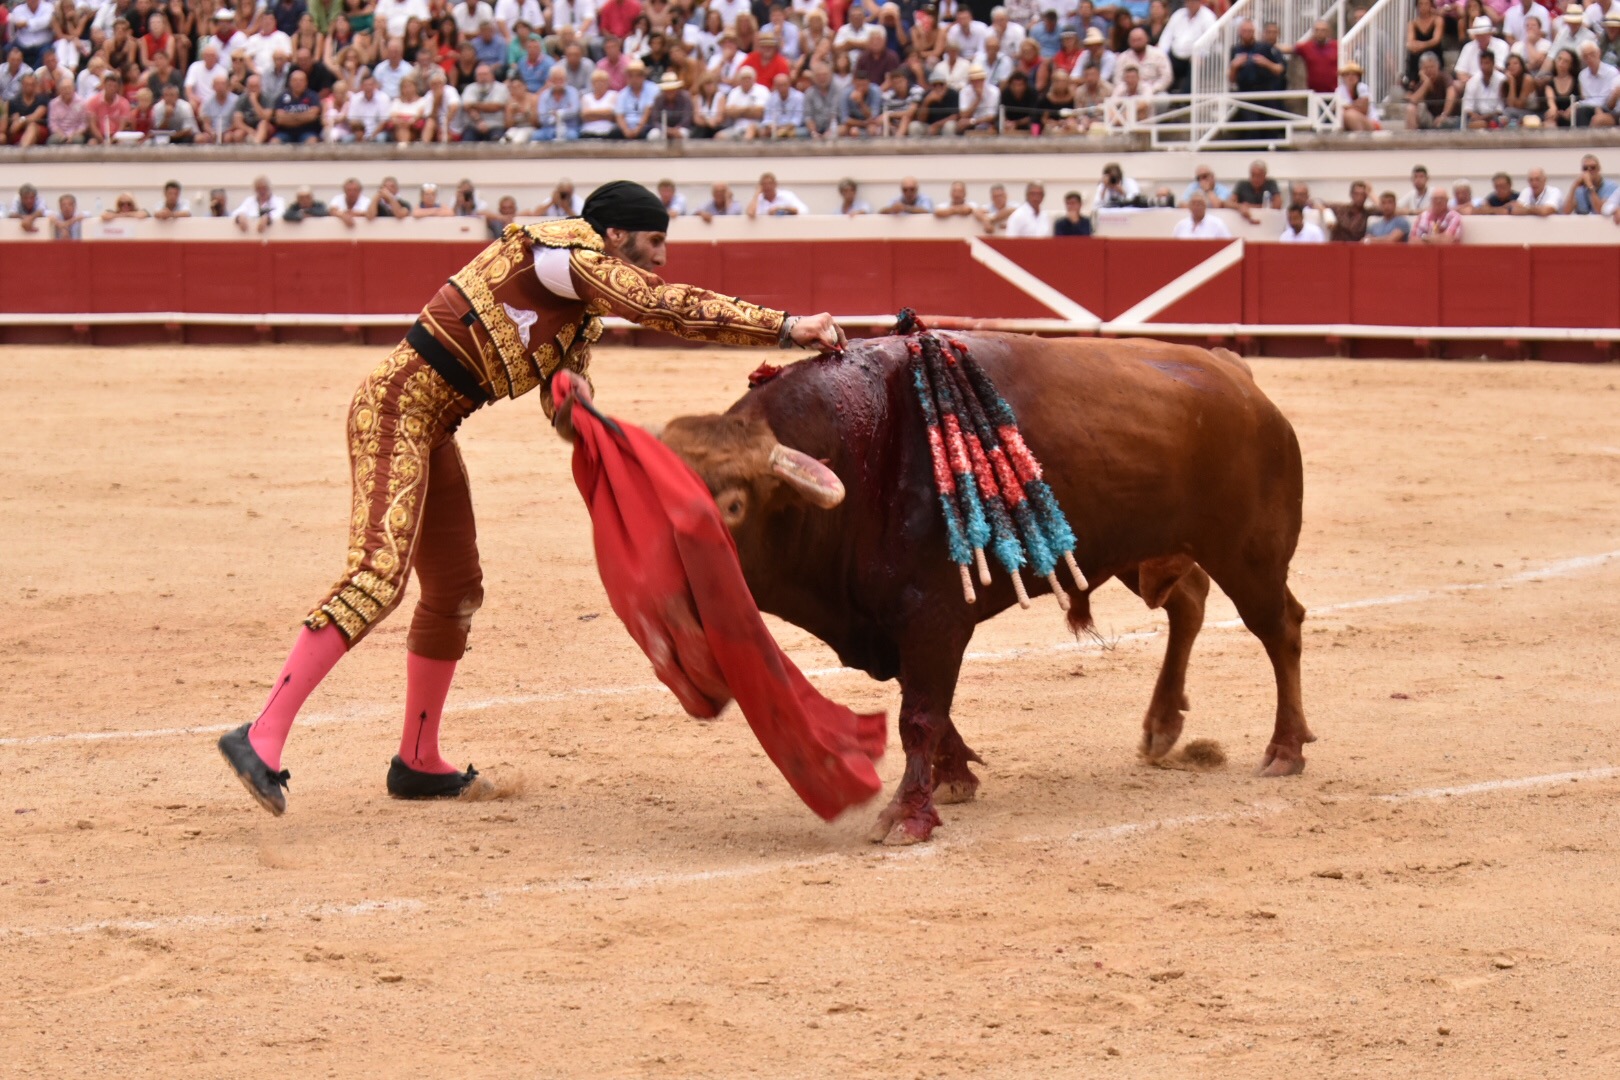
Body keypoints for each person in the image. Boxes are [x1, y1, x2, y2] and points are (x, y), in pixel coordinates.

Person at [217, 181, 847, 816]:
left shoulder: (572, 309)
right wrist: (787, 326)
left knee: (455, 590)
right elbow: (662, 307)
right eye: (653, 242)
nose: (660, 258)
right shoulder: (558, 256)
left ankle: (416, 760)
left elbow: (559, 401)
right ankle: (261, 736)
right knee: (378, 576)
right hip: (394, 412)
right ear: (617, 236)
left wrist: (575, 404)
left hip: (432, 426)